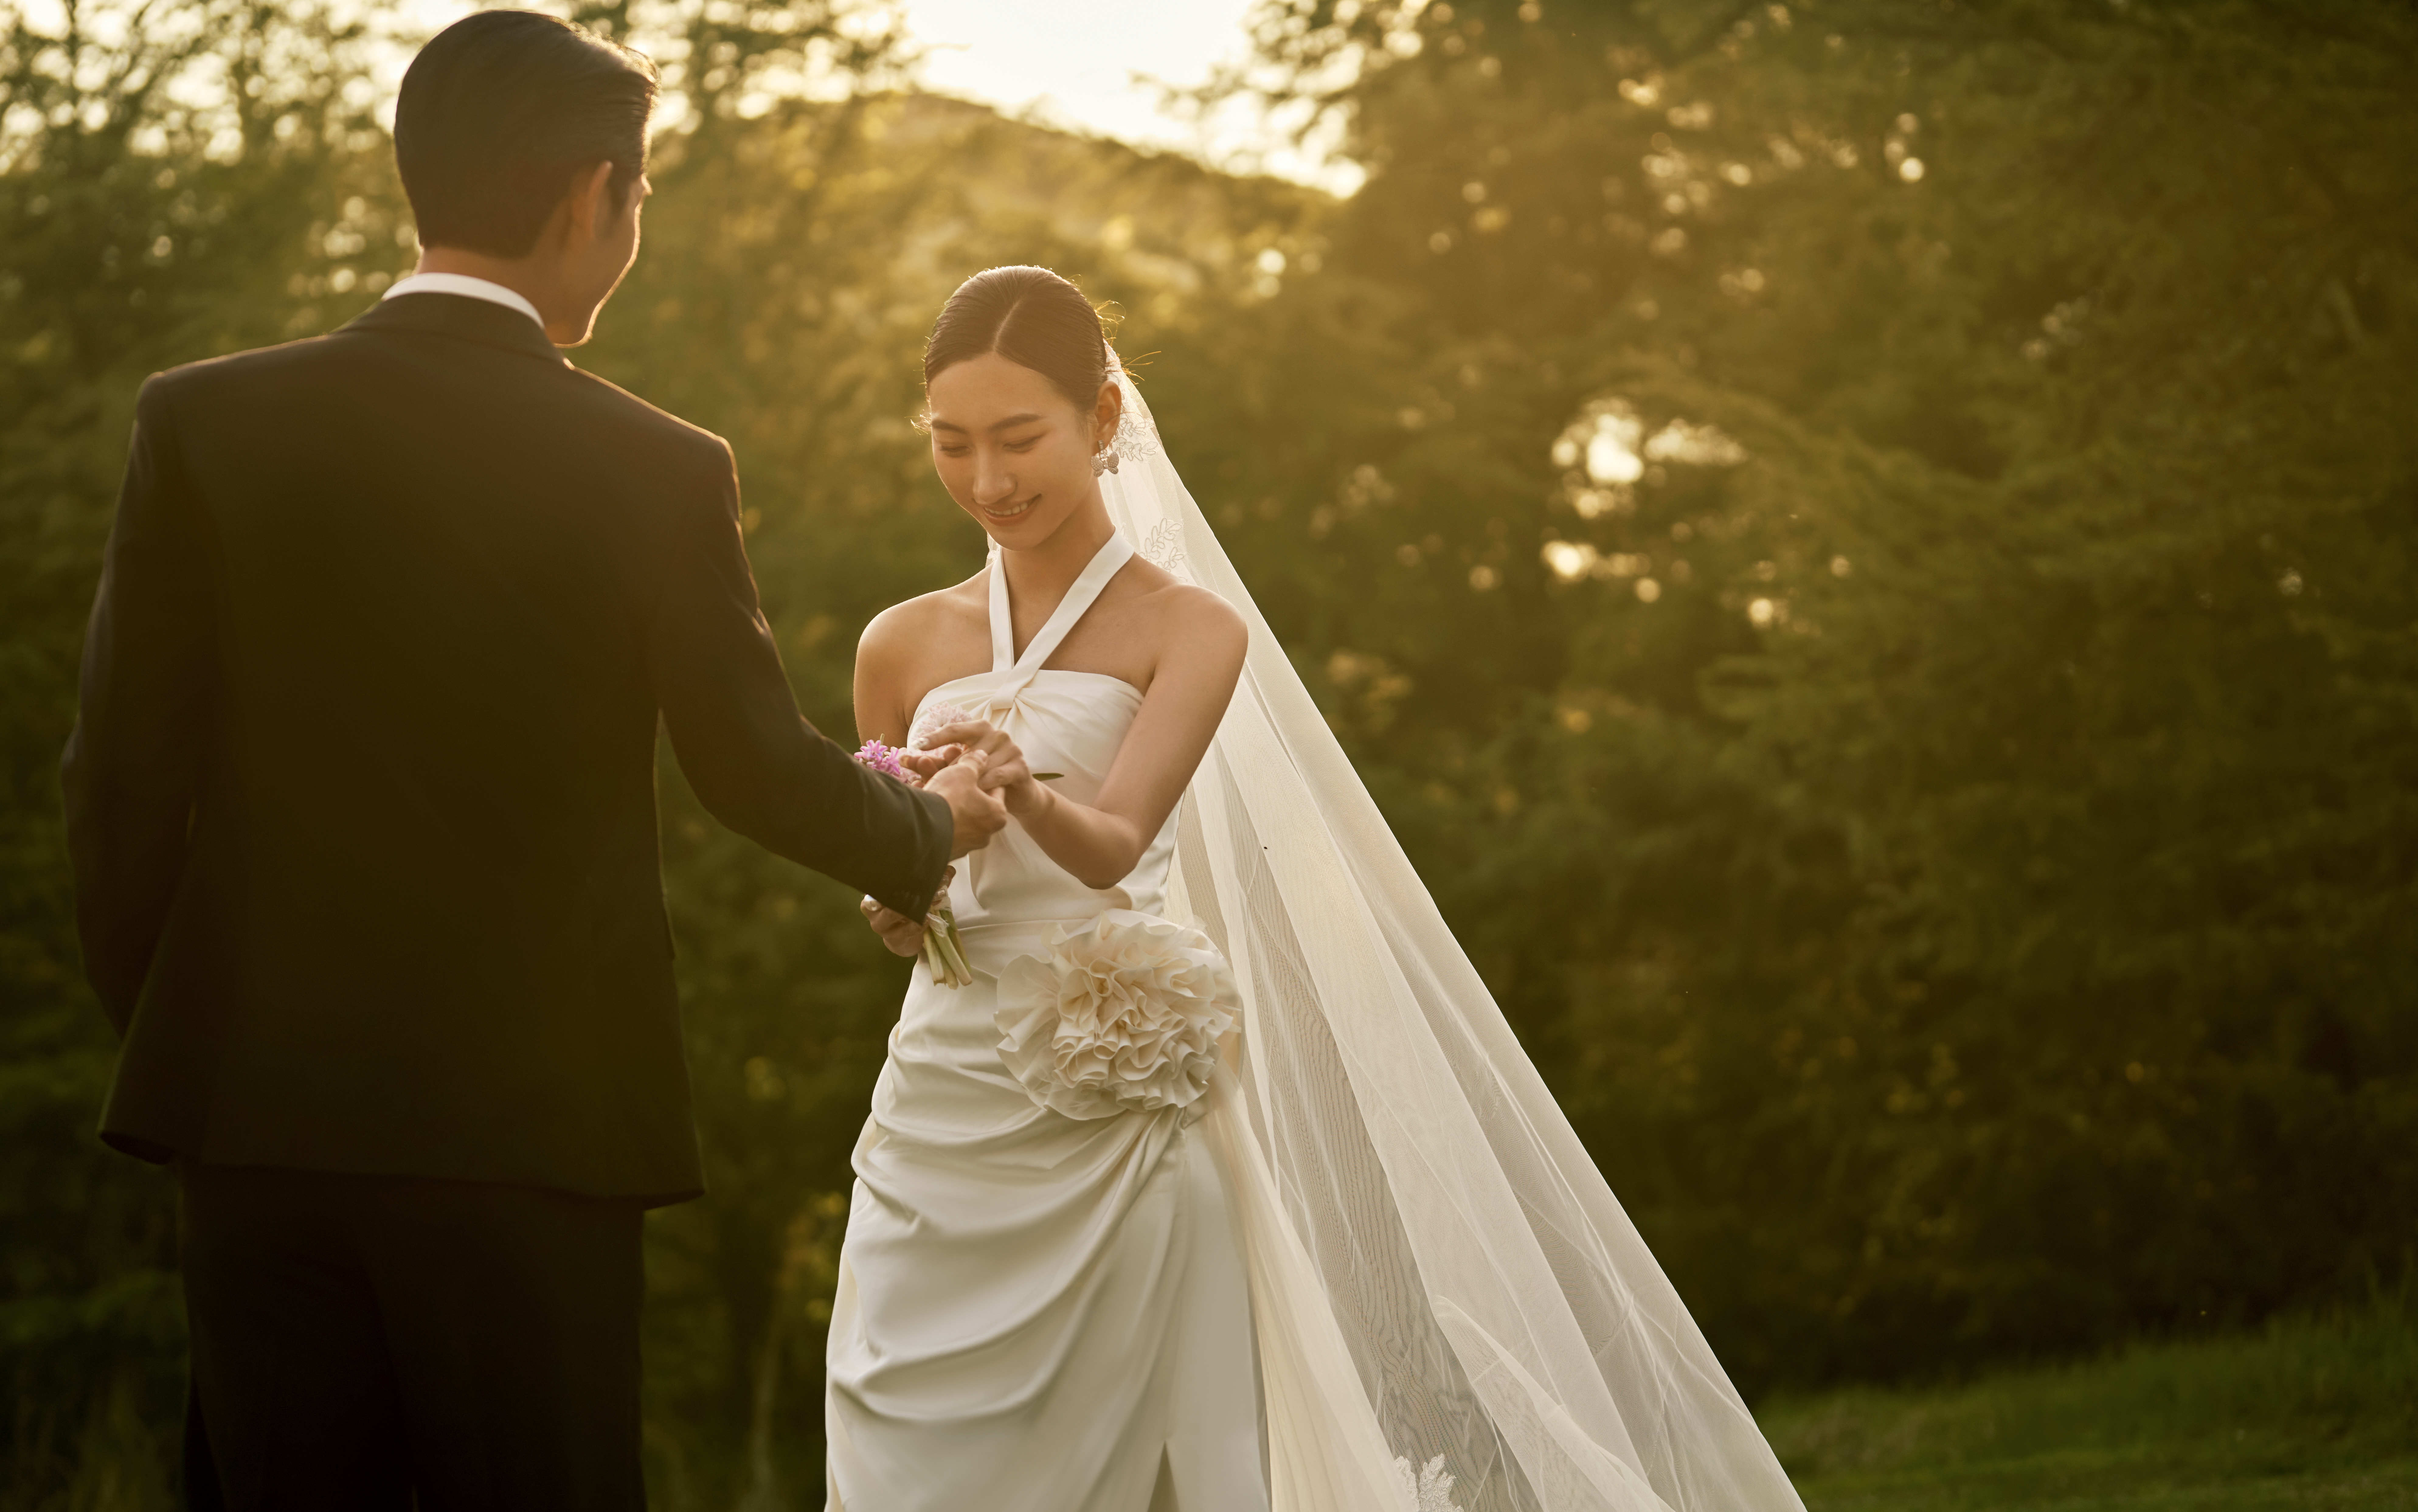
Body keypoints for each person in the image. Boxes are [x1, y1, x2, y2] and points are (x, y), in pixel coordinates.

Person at [57, 12, 1004, 1509]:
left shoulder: (204, 423)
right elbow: (752, 767)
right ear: (590, 197)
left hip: (251, 1122)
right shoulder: (654, 465)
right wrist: (926, 825)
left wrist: (201, 1040)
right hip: (534, 1132)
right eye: (639, 198)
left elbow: (112, 792)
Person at [833, 266, 1810, 1512]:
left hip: (1109, 1116)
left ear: (1102, 417)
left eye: (1017, 437)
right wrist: (898, 906)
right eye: (951, 443)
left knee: (1142, 1451)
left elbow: (1118, 839)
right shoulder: (897, 642)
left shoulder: (1187, 626)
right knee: (903, 1448)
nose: (986, 479)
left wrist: (1019, 790)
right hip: (942, 1105)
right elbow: (905, 894)